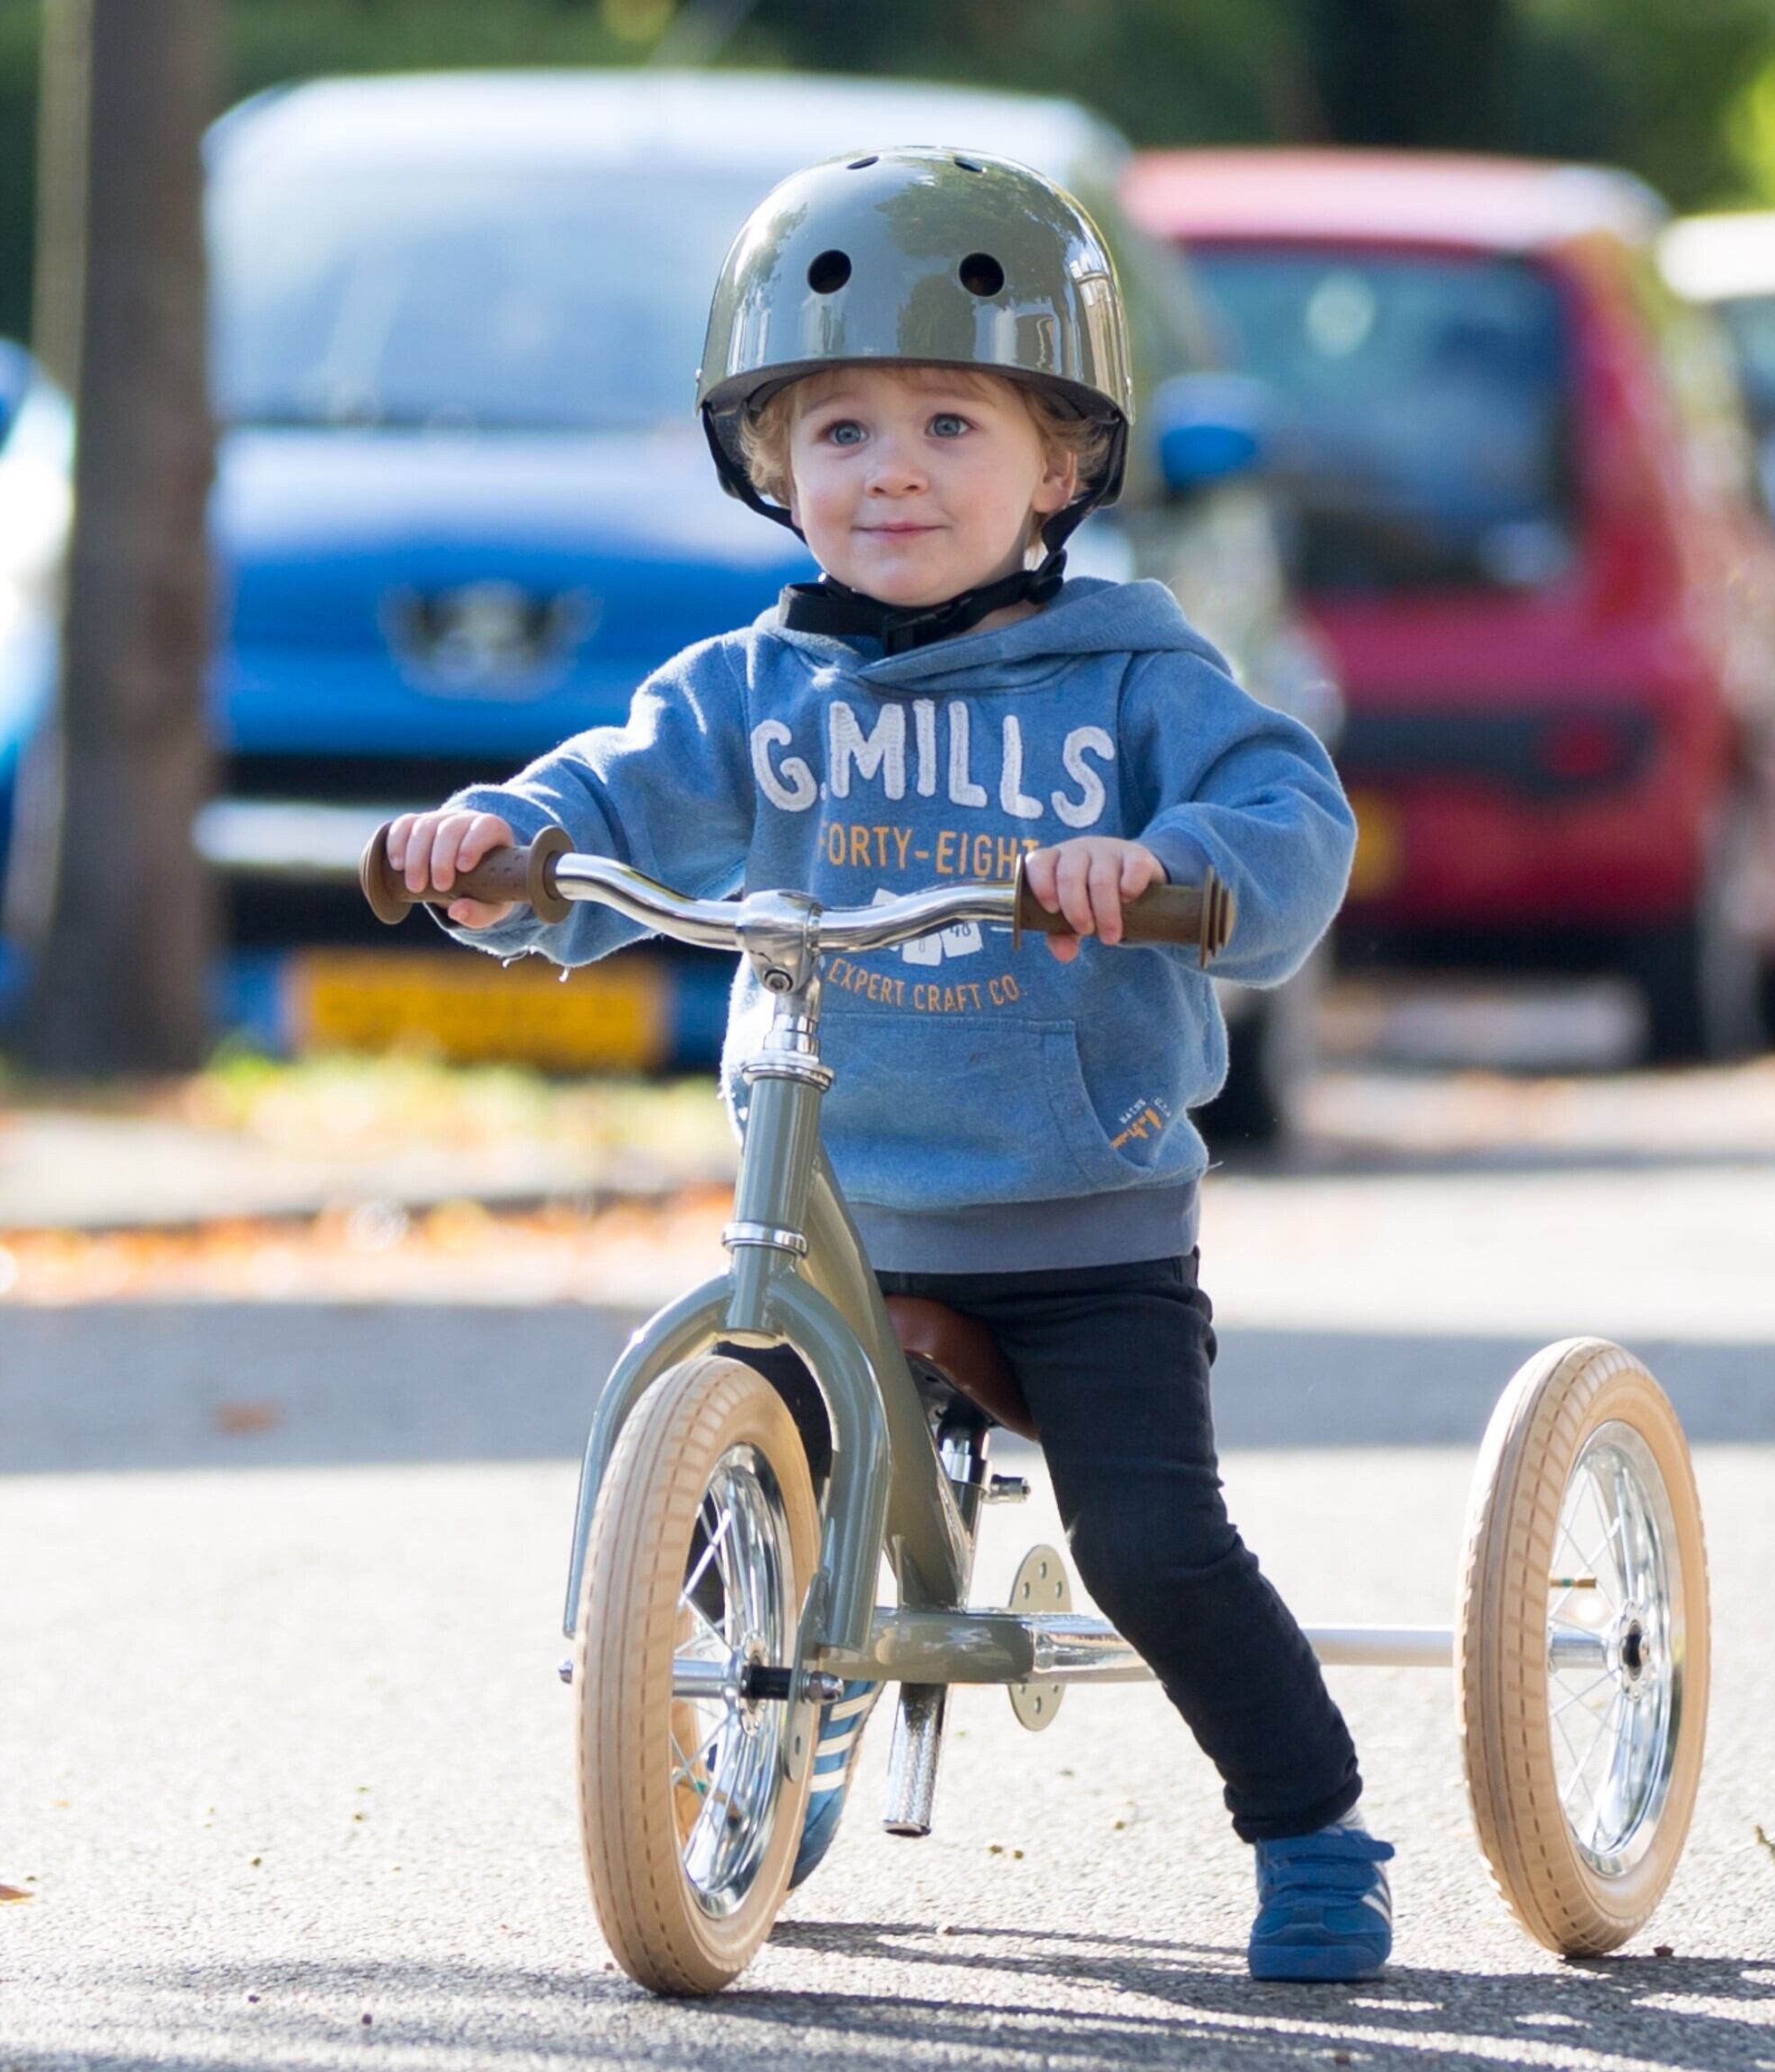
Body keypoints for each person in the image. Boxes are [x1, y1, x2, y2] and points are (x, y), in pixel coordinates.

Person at [384, 147, 1389, 1981]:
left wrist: (1160, 870)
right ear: (772, 464)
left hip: (1077, 1214)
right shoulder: (749, 691)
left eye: (949, 418)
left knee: (1154, 1542)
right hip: (836, 1200)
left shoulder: (1128, 675)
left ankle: (1310, 1817)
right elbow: (609, 794)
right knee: (714, 1499)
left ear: (1060, 465)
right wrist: (501, 839)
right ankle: (749, 1747)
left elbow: (1281, 807)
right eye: (839, 426)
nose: (893, 465)